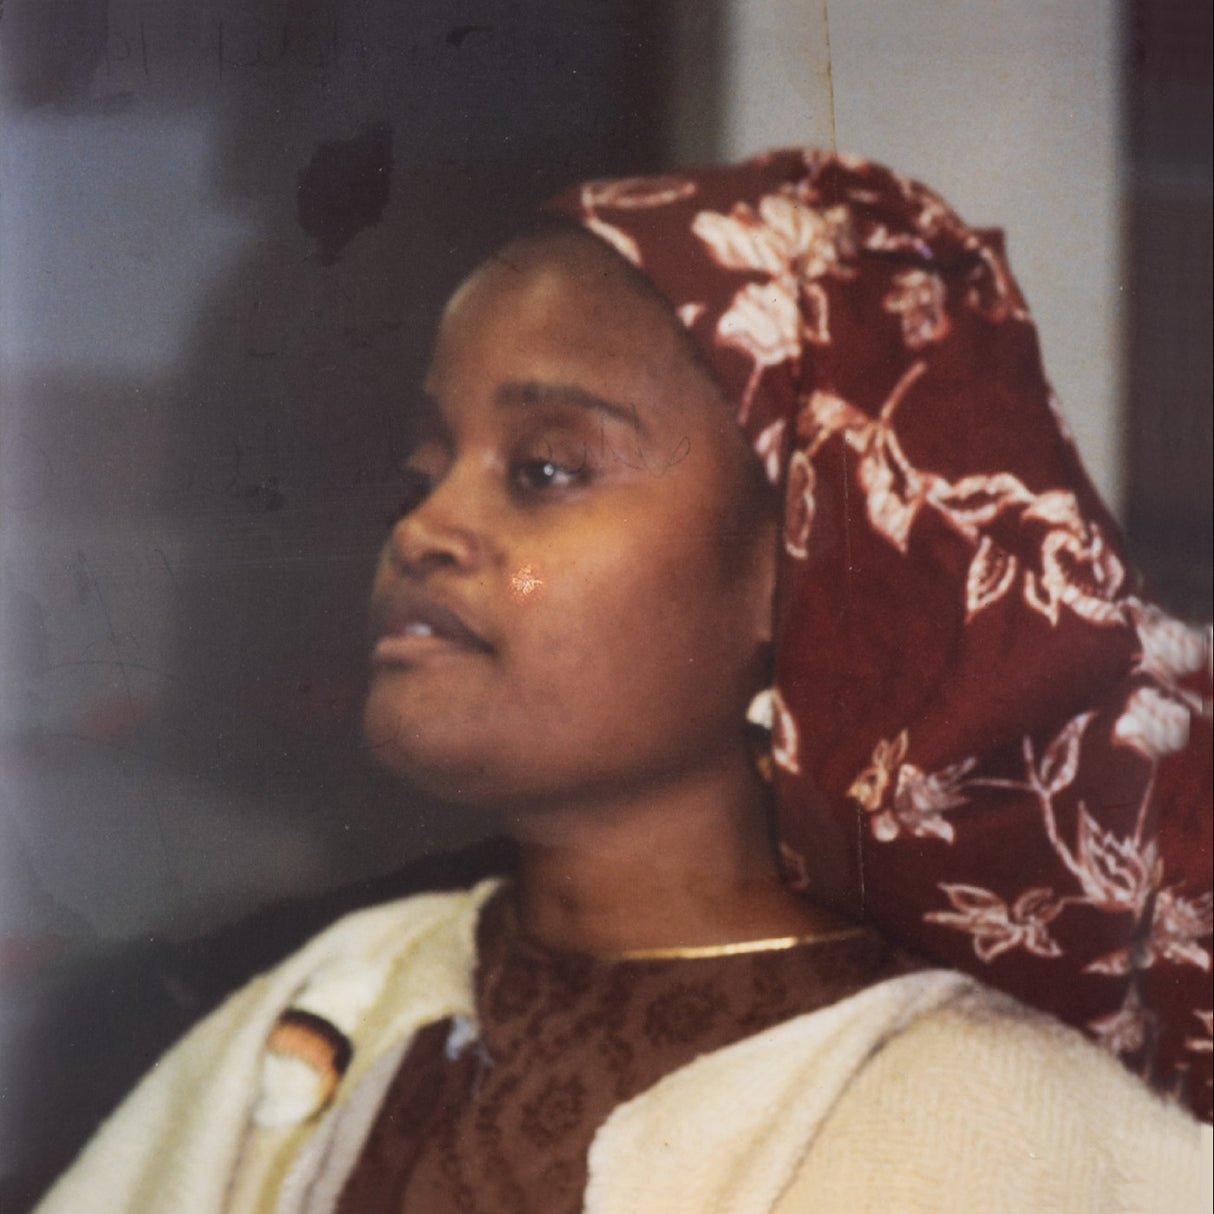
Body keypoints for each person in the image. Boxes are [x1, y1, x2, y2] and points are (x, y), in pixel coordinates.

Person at [34, 151, 1211, 1213]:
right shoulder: (331, 1003)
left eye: (543, 468)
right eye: (422, 467)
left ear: (803, 566)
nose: (428, 525)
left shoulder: (1001, 1128)